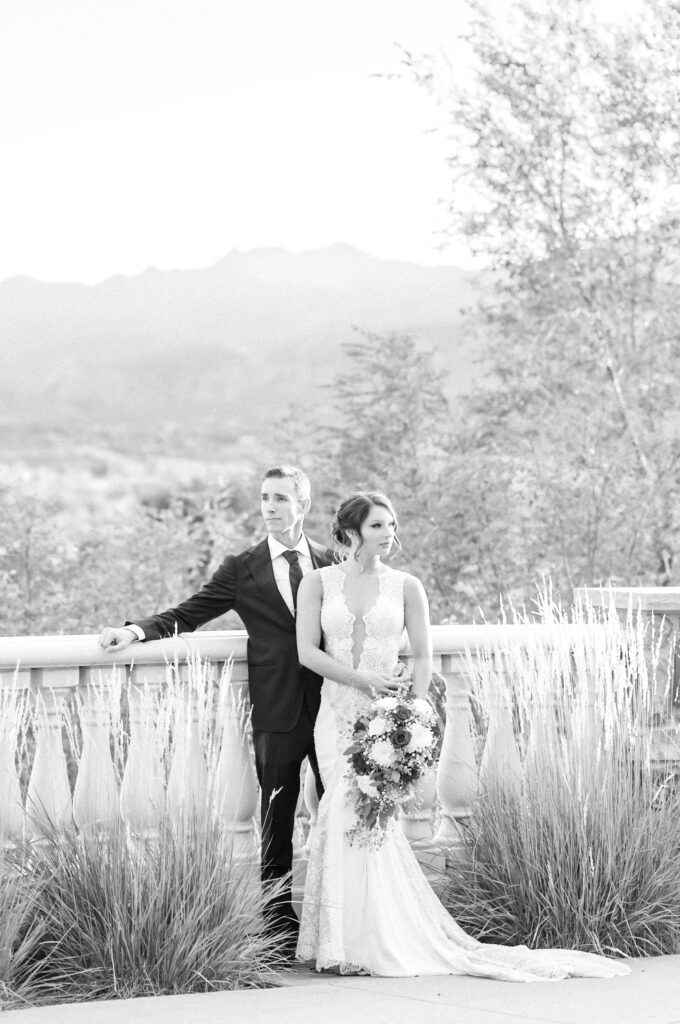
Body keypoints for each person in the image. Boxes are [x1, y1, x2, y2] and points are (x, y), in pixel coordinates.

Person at [294, 490, 631, 980]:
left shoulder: (406, 586)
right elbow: (307, 651)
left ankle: (374, 940)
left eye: (391, 524)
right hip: (336, 714)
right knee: (342, 810)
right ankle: (338, 940)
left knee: (375, 820)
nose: (389, 533)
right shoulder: (317, 583)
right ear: (350, 532)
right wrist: (361, 679)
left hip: (387, 719)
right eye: (377, 526)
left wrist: (407, 716)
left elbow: (423, 658)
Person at [98, 465, 335, 956]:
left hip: (334, 705)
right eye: (264, 497)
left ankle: (339, 919)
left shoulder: (332, 561)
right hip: (277, 707)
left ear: (304, 505)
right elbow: (188, 613)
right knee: (277, 819)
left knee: (342, 807)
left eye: (281, 498)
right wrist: (134, 631)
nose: (270, 507)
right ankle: (277, 928)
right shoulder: (242, 568)